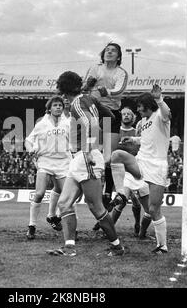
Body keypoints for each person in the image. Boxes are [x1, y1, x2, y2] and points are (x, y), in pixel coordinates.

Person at [46, 71, 129, 257]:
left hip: (86, 156)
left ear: (62, 88)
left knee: (96, 207)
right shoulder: (89, 99)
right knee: (64, 203)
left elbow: (92, 124)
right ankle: (69, 248)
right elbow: (110, 117)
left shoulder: (77, 103)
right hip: (80, 158)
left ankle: (117, 247)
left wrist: (88, 149)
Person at [109, 84, 171, 254]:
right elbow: (145, 140)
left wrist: (159, 99)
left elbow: (167, 114)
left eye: (140, 107)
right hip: (141, 161)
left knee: (153, 209)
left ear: (147, 104)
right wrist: (133, 140)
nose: (138, 110)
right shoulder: (142, 121)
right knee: (116, 155)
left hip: (157, 165)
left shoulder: (160, 115)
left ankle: (162, 246)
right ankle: (121, 193)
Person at [93, 107, 151, 238]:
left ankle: (138, 225)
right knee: (120, 200)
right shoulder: (115, 132)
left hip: (135, 169)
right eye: (123, 114)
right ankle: (108, 229)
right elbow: (109, 149)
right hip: (119, 171)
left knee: (137, 202)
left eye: (128, 114)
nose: (125, 116)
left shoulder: (137, 132)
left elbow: (141, 147)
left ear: (133, 117)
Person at [83, 42, 129, 207]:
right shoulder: (95, 68)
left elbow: (119, 90)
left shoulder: (121, 73)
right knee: (89, 155)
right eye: (107, 50)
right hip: (93, 112)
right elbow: (84, 88)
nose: (109, 52)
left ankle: (109, 192)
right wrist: (88, 85)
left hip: (110, 114)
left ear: (118, 56)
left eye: (113, 51)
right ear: (103, 54)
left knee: (109, 158)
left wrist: (106, 91)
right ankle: (92, 188)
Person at [24, 95, 72, 239]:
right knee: (39, 193)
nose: (58, 107)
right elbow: (28, 140)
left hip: (63, 162)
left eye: (60, 105)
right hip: (45, 161)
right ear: (49, 109)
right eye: (55, 105)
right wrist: (30, 149)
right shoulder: (42, 124)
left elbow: (75, 140)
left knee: (67, 195)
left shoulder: (68, 123)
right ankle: (32, 226)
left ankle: (56, 217)